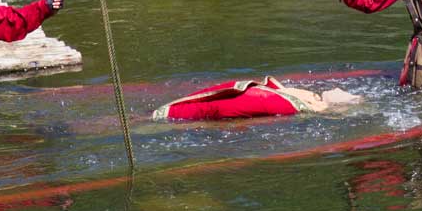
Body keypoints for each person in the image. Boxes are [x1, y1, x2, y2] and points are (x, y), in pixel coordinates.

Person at [152, 76, 363, 122]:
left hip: (256, 98)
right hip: (255, 94)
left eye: (343, 94)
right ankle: (162, 113)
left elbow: (224, 108)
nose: (337, 88)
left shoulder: (295, 106)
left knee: (183, 110)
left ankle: (160, 114)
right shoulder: (305, 99)